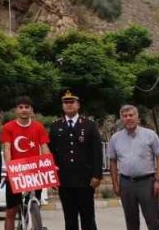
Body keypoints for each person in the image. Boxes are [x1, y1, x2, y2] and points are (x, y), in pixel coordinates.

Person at [47, 89, 103, 230]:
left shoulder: (89, 125)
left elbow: (96, 151)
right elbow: (51, 153)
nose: (69, 105)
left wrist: (97, 175)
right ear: (62, 106)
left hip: (85, 179)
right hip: (64, 179)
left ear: (78, 105)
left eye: (72, 102)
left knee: (87, 217)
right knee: (69, 217)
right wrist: (52, 176)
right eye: (66, 102)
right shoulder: (55, 126)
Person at [105, 105, 159, 230]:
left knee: (152, 220)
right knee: (131, 222)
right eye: (125, 116)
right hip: (126, 184)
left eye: (131, 115)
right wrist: (115, 183)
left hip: (147, 183)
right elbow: (113, 161)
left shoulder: (150, 135)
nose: (128, 118)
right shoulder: (115, 138)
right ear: (121, 119)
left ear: (137, 117)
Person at [1, 96, 51, 230]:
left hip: (35, 172)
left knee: (35, 207)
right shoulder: (8, 127)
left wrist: (50, 166)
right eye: (21, 107)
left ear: (31, 110)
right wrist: (10, 169)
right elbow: (7, 149)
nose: (24, 110)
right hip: (16, 172)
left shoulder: (38, 127)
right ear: (16, 110)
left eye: (27, 107)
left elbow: (45, 147)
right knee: (11, 211)